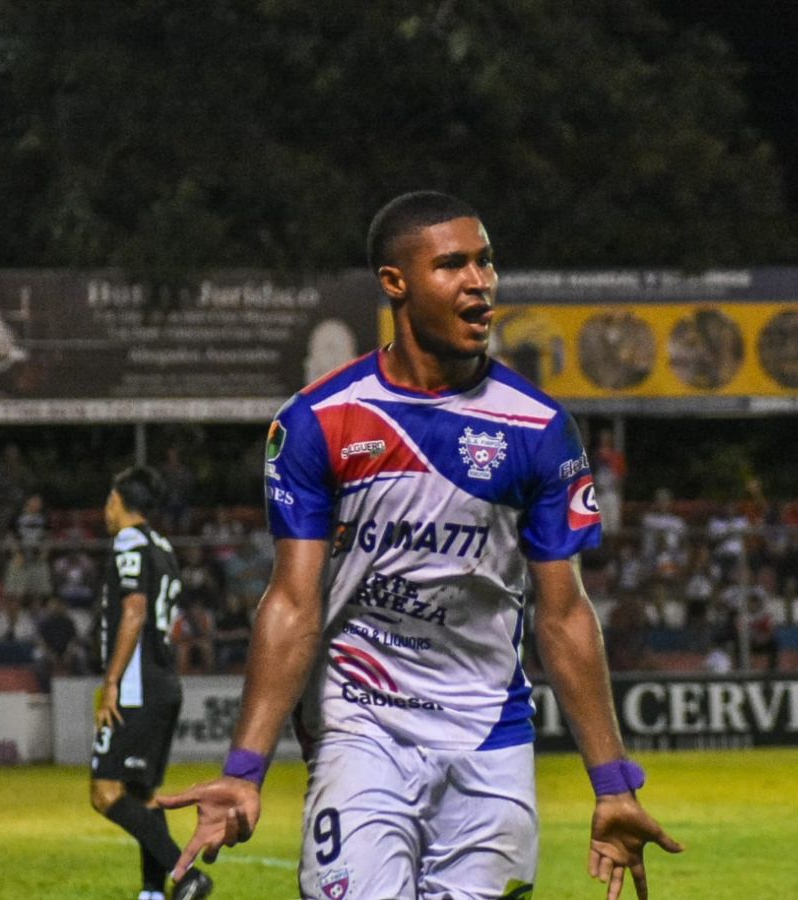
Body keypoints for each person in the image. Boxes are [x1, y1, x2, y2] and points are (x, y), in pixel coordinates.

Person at [157, 191, 680, 899]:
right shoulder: (319, 422)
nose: (480, 281)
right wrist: (245, 769)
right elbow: (291, 602)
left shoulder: (539, 428)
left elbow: (563, 613)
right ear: (394, 283)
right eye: (453, 265)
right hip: (359, 722)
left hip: (490, 733)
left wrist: (613, 781)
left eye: (486, 262)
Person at [89, 466, 213, 900]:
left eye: (109, 500)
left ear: (120, 501)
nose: (106, 510)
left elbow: (135, 611)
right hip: (165, 682)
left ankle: (187, 876)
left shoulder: (128, 542)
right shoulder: (164, 547)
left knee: (105, 792)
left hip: (138, 686)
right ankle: (151, 893)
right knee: (142, 795)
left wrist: (112, 681)